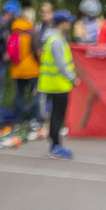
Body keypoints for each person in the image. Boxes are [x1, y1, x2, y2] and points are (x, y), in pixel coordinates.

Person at [39, 10, 78, 159]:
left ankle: (55, 143)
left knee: (56, 115)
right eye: (68, 22)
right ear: (62, 24)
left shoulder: (52, 38)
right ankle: (56, 146)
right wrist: (73, 78)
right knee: (58, 116)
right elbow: (62, 64)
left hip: (53, 83)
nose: (69, 25)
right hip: (58, 84)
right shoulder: (56, 40)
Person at [9, 8, 41, 125]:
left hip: (17, 69)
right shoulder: (32, 32)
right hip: (32, 69)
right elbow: (37, 51)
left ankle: (18, 119)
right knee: (36, 94)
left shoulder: (14, 31)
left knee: (19, 95)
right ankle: (34, 119)